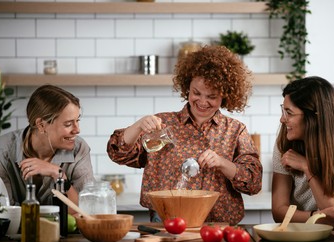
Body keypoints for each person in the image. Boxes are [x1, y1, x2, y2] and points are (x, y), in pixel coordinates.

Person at [107, 45, 263, 225]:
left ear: (225, 95)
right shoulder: (162, 124)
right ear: (187, 86)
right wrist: (138, 125)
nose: (202, 102)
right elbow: (117, 153)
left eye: (211, 96)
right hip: (166, 219)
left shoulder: (235, 130)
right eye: (196, 93)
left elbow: (253, 182)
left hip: (218, 223)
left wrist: (222, 162)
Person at [272, 76, 334, 229]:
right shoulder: (285, 144)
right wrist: (316, 217)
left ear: (314, 117)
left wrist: (307, 167)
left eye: (289, 113)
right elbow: (278, 211)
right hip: (298, 232)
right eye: (283, 110)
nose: (282, 119)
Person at [0, 85, 95, 213]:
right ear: (41, 125)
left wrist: (58, 174)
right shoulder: (3, 149)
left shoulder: (79, 149)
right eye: (68, 124)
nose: (77, 129)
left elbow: (86, 210)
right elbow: (2, 210)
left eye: (77, 120)